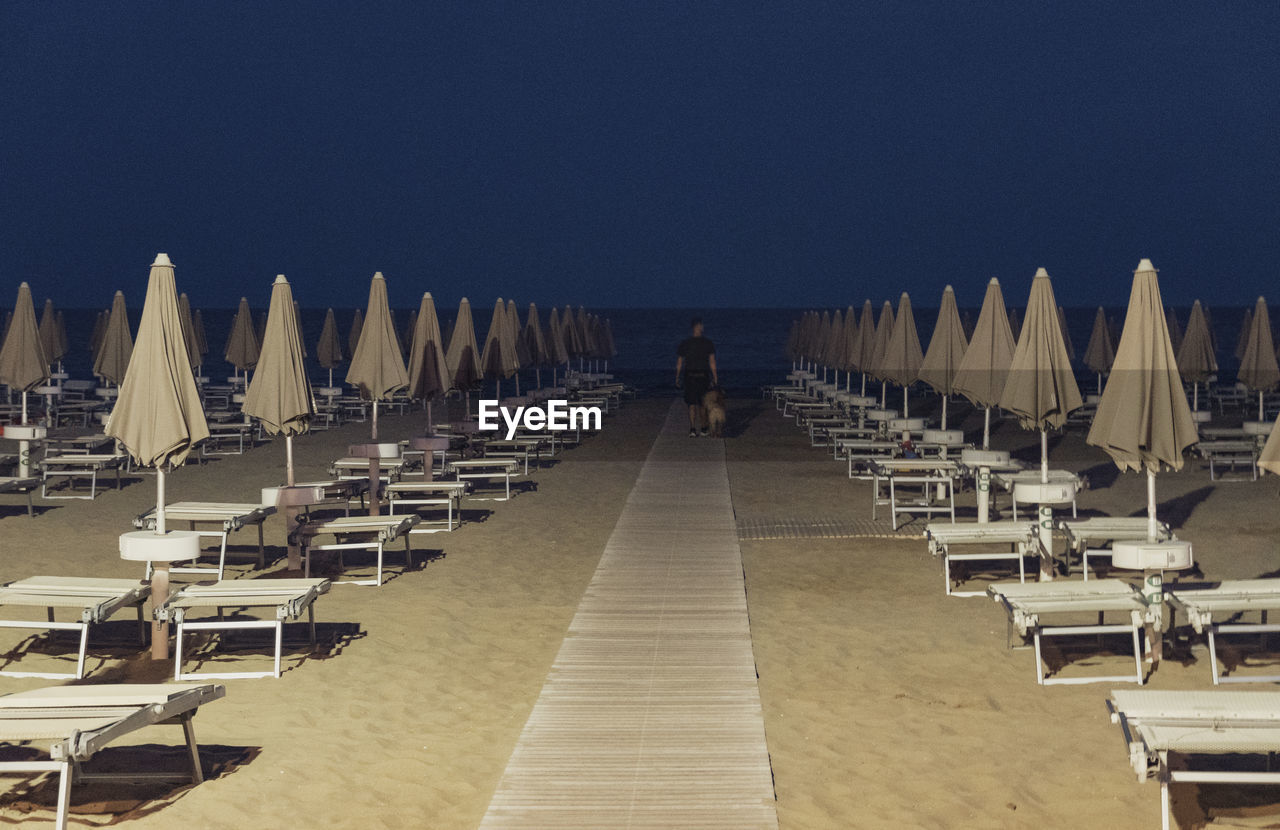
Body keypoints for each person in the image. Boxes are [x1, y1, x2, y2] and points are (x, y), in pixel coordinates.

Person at [675, 317, 718, 437]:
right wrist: (715, 377)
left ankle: (693, 429)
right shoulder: (708, 343)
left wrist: (677, 377)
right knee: (702, 403)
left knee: (691, 404)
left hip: (690, 376)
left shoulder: (685, 343)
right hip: (702, 376)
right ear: (698, 326)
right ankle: (703, 428)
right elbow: (712, 362)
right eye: (702, 325)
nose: (703, 327)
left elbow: (680, 362)